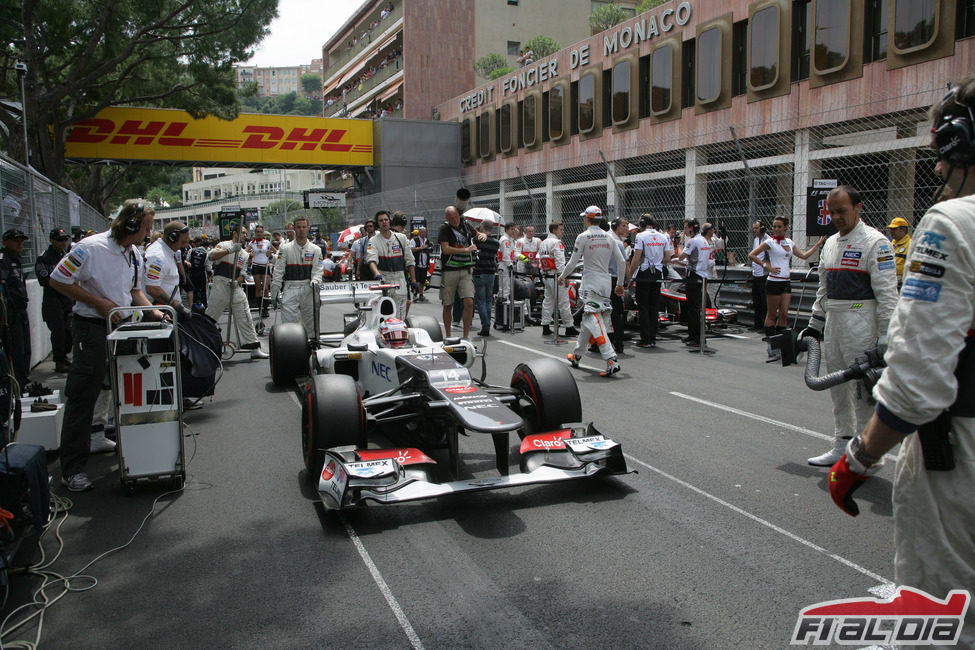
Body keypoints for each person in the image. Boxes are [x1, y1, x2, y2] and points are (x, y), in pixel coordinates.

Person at [826, 77, 975, 645]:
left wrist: (858, 461)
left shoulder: (952, 223)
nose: (936, 171)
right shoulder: (838, 244)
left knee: (946, 617)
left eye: (941, 155)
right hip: (842, 324)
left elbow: (915, 386)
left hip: (957, 453)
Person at [49, 199, 165, 491]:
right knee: (82, 396)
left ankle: (135, 455)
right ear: (130, 224)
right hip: (91, 330)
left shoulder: (135, 253)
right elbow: (58, 279)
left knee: (128, 391)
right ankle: (72, 469)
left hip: (124, 328)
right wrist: (98, 302)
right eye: (146, 227)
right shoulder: (90, 248)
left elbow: (135, 290)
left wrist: (153, 310)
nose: (149, 233)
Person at [804, 185, 898, 466]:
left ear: (858, 207)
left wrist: (886, 335)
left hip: (863, 324)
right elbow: (823, 290)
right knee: (837, 387)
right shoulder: (830, 243)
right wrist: (813, 325)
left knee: (863, 390)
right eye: (831, 212)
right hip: (834, 323)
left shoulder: (876, 242)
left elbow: (888, 294)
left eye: (841, 211)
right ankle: (841, 444)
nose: (836, 217)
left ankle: (868, 452)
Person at [560, 206, 626, 377]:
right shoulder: (610, 238)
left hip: (591, 282)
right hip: (606, 282)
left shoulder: (583, 237)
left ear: (587, 219)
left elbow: (573, 262)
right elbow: (621, 262)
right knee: (595, 320)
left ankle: (611, 358)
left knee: (591, 318)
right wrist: (620, 284)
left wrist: (562, 276)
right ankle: (576, 355)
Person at [747, 216, 825, 360]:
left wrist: (818, 243)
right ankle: (772, 347)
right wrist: (767, 266)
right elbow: (752, 255)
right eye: (774, 226)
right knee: (771, 315)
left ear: (785, 228)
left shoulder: (789, 242)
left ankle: (782, 346)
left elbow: (804, 255)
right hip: (773, 281)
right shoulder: (769, 242)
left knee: (783, 314)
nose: (776, 229)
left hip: (785, 282)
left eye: (779, 226)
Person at [205, 224, 269, 359]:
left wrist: (237, 281)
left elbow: (243, 274)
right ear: (235, 233)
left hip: (234, 286)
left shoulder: (245, 254)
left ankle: (253, 347)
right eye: (243, 233)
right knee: (211, 316)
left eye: (246, 233)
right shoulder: (223, 245)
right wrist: (229, 251)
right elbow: (212, 256)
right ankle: (205, 347)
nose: (245, 235)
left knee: (245, 314)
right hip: (220, 284)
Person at [270, 217, 324, 336]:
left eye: (304, 227)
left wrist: (315, 281)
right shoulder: (285, 248)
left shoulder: (316, 250)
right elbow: (278, 270)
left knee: (311, 325)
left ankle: (312, 349)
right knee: (289, 326)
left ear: (308, 228)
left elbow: (318, 270)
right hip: (290, 288)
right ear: (294, 229)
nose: (301, 230)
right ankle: (292, 350)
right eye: (298, 227)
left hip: (308, 288)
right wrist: (275, 288)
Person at [438, 205, 486, 338]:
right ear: (447, 218)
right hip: (450, 270)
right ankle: (448, 336)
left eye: (456, 217)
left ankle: (465, 337)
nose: (455, 221)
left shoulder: (465, 225)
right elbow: (446, 249)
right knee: (448, 304)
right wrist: (465, 250)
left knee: (469, 302)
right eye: (452, 218)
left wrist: (482, 235)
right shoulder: (444, 228)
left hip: (466, 269)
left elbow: (478, 234)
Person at [627, 214, 673, 349]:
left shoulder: (640, 236)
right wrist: (657, 261)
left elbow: (636, 258)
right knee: (654, 306)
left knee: (644, 307)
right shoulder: (663, 236)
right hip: (657, 273)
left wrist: (630, 276)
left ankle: (645, 339)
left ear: (641, 224)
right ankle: (653, 338)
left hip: (644, 273)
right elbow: (668, 258)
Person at [35, 228, 74, 373]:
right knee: (59, 332)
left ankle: (64, 356)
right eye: (60, 239)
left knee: (69, 331)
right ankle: (59, 360)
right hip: (53, 300)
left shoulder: (66, 256)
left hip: (66, 299)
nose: (63, 243)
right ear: (52, 240)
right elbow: (45, 279)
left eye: (65, 239)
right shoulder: (44, 258)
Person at [366, 212, 417, 319]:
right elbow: (372, 260)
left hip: (400, 281)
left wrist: (413, 280)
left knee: (399, 317)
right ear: (377, 224)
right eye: (381, 220)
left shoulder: (401, 238)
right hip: (383, 281)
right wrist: (377, 274)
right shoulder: (373, 241)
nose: (384, 222)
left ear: (390, 221)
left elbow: (410, 261)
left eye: (386, 219)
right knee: (383, 317)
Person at [0, 229, 31, 389]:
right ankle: (17, 381)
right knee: (16, 347)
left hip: (21, 310)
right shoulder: (3, 260)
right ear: (5, 242)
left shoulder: (17, 260)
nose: (20, 244)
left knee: (25, 346)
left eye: (21, 240)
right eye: (15, 240)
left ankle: (24, 378)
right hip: (10, 313)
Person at [144, 221, 193, 319]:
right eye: (182, 242)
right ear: (172, 238)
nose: (184, 246)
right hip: (161, 312)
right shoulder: (158, 256)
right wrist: (176, 305)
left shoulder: (168, 252)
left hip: (168, 308)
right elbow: (152, 288)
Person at [673, 218, 710, 346]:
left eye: (685, 227)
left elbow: (681, 255)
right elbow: (692, 259)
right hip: (701, 275)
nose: (684, 230)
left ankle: (696, 338)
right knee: (694, 308)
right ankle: (693, 335)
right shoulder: (703, 240)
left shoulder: (693, 241)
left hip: (694, 276)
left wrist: (681, 243)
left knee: (693, 309)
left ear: (691, 228)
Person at [539, 223, 578, 338]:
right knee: (564, 302)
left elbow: (540, 260)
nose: (563, 232)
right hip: (557, 277)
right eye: (561, 229)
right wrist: (564, 277)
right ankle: (569, 327)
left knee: (548, 302)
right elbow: (560, 263)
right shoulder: (557, 243)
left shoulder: (543, 243)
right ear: (554, 230)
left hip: (546, 276)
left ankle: (545, 326)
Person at [472, 216, 500, 336]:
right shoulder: (495, 242)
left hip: (479, 272)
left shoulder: (477, 240)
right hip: (491, 273)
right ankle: (487, 323)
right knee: (488, 300)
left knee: (481, 301)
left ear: (482, 227)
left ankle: (485, 326)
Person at [607, 217, 629, 354]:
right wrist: (627, 279)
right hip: (614, 279)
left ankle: (600, 343)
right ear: (615, 226)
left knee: (602, 312)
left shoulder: (607, 240)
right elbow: (624, 264)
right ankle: (618, 343)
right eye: (623, 226)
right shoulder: (618, 244)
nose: (626, 228)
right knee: (616, 312)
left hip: (603, 279)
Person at [749, 221, 771, 330]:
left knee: (764, 301)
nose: (755, 230)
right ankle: (757, 323)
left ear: (762, 228)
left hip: (764, 274)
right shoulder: (755, 240)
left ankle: (765, 324)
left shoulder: (768, 240)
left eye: (756, 228)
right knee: (756, 300)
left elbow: (768, 257)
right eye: (754, 228)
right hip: (755, 273)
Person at [248, 225, 273, 315]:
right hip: (256, 266)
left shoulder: (267, 242)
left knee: (266, 288)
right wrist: (249, 257)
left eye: (261, 232)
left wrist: (270, 255)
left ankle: (266, 308)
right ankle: (260, 309)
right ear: (255, 233)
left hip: (265, 266)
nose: (259, 233)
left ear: (263, 233)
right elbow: (245, 252)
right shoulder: (252, 243)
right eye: (257, 232)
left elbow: (275, 252)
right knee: (258, 288)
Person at [885, 216, 912, 290]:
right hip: (889, 280)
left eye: (894, 229)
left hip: (902, 282)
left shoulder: (910, 245)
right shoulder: (891, 244)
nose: (891, 231)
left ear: (903, 229)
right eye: (891, 229)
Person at [498, 222, 522, 302]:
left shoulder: (510, 240)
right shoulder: (505, 240)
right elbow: (506, 255)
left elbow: (514, 253)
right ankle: (504, 300)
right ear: (506, 230)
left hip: (507, 265)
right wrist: (510, 265)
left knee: (507, 285)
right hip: (504, 265)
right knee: (505, 285)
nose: (513, 231)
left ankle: (505, 299)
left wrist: (524, 258)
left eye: (514, 229)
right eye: (511, 229)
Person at [186, 237, 211, 309]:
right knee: (204, 291)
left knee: (194, 289)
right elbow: (208, 266)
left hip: (192, 273)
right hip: (202, 274)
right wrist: (210, 274)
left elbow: (187, 260)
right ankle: (204, 306)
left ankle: (194, 304)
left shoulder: (191, 250)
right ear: (207, 246)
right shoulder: (206, 253)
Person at [410, 226, 430, 302]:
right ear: (419, 232)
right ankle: (415, 294)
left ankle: (421, 294)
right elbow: (411, 249)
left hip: (424, 263)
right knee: (417, 279)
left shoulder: (427, 241)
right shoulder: (414, 240)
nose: (423, 234)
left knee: (422, 280)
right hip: (417, 263)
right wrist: (421, 248)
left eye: (425, 232)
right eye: (422, 232)